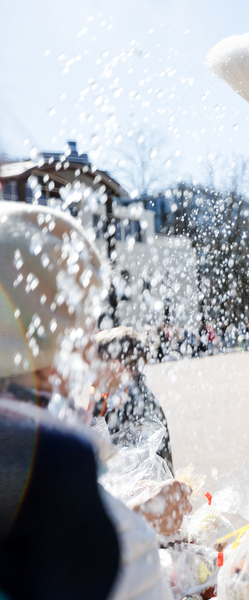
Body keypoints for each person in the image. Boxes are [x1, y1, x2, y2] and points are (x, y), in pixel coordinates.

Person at [0, 203, 184, 600]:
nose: (91, 350)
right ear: (58, 355)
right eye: (85, 327)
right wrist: (128, 526)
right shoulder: (120, 548)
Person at [93, 326, 174, 475]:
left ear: (116, 365)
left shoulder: (140, 406)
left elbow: (142, 474)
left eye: (97, 363)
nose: (91, 371)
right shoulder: (109, 399)